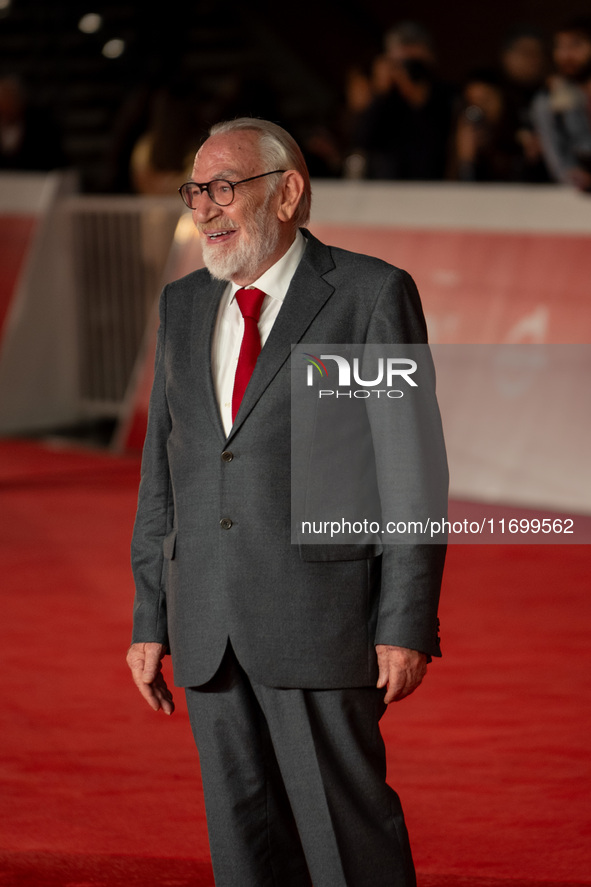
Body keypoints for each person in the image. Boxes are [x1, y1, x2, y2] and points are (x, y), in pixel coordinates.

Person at [126, 117, 447, 887]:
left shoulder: (370, 295)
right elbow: (162, 472)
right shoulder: (182, 306)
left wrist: (404, 622)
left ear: (288, 192)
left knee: (348, 842)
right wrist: (149, 617)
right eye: (196, 189)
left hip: (320, 619)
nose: (204, 207)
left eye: (224, 187)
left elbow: (413, 473)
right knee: (246, 846)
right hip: (206, 623)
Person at [351, 21, 456, 180]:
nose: (407, 70)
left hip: (432, 184)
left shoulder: (444, 94)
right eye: (400, 63)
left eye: (414, 63)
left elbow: (440, 140)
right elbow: (362, 140)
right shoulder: (384, 97)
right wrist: (381, 92)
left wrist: (414, 94)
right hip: (384, 184)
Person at [531, 16, 591, 191]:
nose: (565, 55)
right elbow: (557, 162)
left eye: (575, 45)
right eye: (560, 47)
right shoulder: (548, 100)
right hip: (575, 196)